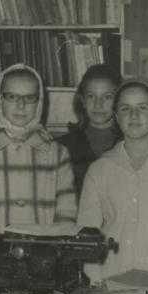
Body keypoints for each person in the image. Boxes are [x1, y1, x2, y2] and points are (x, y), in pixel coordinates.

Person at [77, 77, 148, 281]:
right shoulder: (100, 169)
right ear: (115, 115)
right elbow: (87, 233)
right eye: (125, 108)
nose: (133, 115)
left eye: (142, 107)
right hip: (110, 279)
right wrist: (95, 280)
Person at [0, 63, 77, 233]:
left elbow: (67, 213)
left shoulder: (57, 154)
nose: (21, 105)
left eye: (29, 98)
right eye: (12, 97)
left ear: (39, 101)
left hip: (45, 251)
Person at [56, 64, 121, 196]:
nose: (98, 104)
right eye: (91, 96)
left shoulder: (130, 143)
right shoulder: (62, 147)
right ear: (82, 100)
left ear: (119, 100)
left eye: (107, 97)